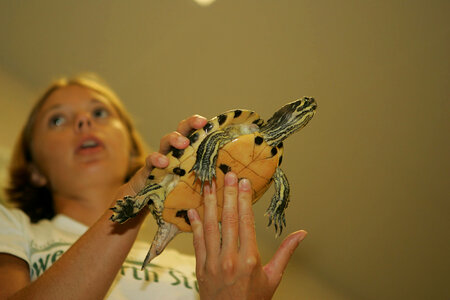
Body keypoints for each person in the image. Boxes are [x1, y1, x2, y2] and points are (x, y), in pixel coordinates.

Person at [0, 74, 307, 299]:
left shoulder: (204, 268)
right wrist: (136, 191)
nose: (83, 121)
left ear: (131, 149)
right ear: (34, 169)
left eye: (99, 112)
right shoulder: (13, 228)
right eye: (56, 120)